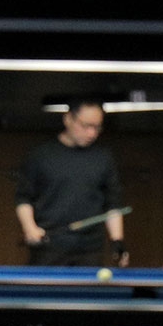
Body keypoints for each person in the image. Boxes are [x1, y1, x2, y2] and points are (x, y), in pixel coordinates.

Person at [15, 98, 126, 267]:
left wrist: (117, 241)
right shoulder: (41, 156)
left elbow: (113, 204)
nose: (91, 133)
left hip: (90, 250)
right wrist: (30, 228)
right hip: (48, 247)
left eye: (97, 127)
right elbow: (23, 198)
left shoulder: (103, 159)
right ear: (68, 119)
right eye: (86, 126)